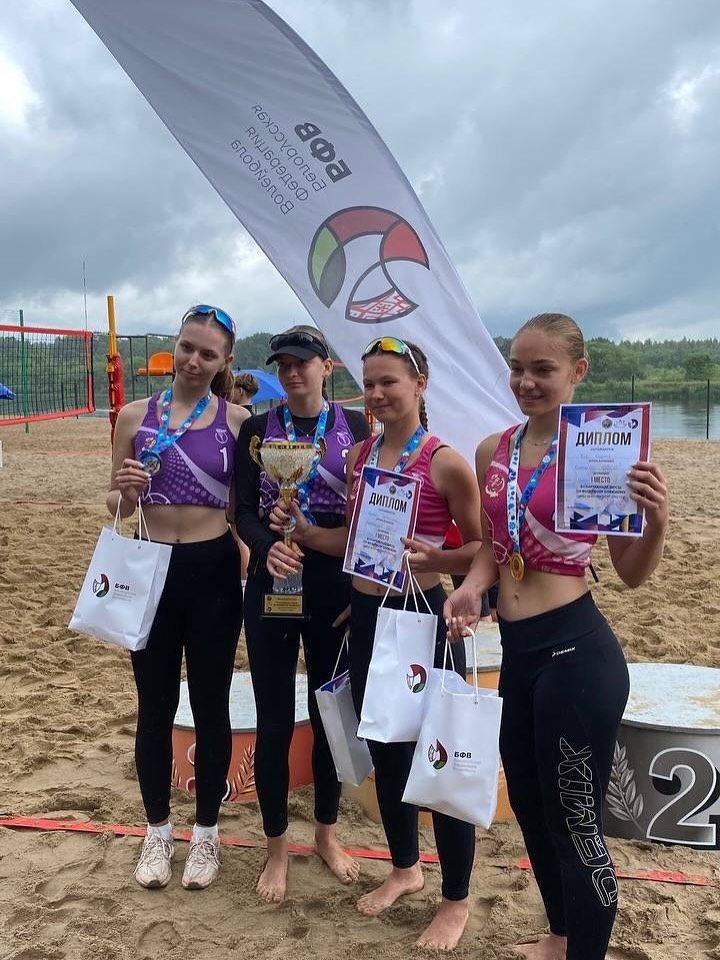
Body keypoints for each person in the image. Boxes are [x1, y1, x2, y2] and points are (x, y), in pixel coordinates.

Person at [445, 313, 669, 960]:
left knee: (575, 821)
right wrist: (471, 587)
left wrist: (655, 521)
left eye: (543, 369)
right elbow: (494, 545)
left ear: (578, 372)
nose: (526, 382)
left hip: (577, 656)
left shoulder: (603, 451)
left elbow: (631, 574)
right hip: (518, 654)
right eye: (517, 368)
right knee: (533, 808)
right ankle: (560, 935)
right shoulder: (494, 450)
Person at [346, 336, 484, 951]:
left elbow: (482, 549)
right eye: (370, 383)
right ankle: (405, 868)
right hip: (368, 614)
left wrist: (440, 558)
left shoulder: (445, 462)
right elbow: (357, 537)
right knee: (385, 749)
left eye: (390, 382)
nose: (377, 394)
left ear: (420, 385)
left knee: (440, 755)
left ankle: (455, 899)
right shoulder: (361, 454)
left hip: (423, 615)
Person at [107, 304, 249, 891]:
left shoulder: (238, 421)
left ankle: (207, 833)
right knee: (155, 704)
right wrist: (125, 491)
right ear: (176, 346)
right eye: (187, 347)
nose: (194, 360)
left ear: (224, 361)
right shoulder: (134, 416)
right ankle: (158, 830)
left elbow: (243, 509)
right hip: (150, 567)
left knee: (212, 705)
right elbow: (116, 507)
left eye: (207, 353)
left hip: (213, 568)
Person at [234, 324, 371, 903]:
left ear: (326, 367)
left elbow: (369, 513)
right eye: (283, 364)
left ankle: (326, 836)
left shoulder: (356, 427)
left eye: (302, 362)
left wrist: (358, 588)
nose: (292, 372)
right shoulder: (259, 429)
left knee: (328, 713)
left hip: (332, 586)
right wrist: (267, 547)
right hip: (274, 580)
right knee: (272, 719)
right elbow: (241, 510)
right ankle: (275, 850)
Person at [228, 372, 260, 583]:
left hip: (237, 479)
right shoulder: (255, 417)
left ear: (239, 391)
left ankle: (242, 578)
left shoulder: (239, 418)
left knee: (238, 535)